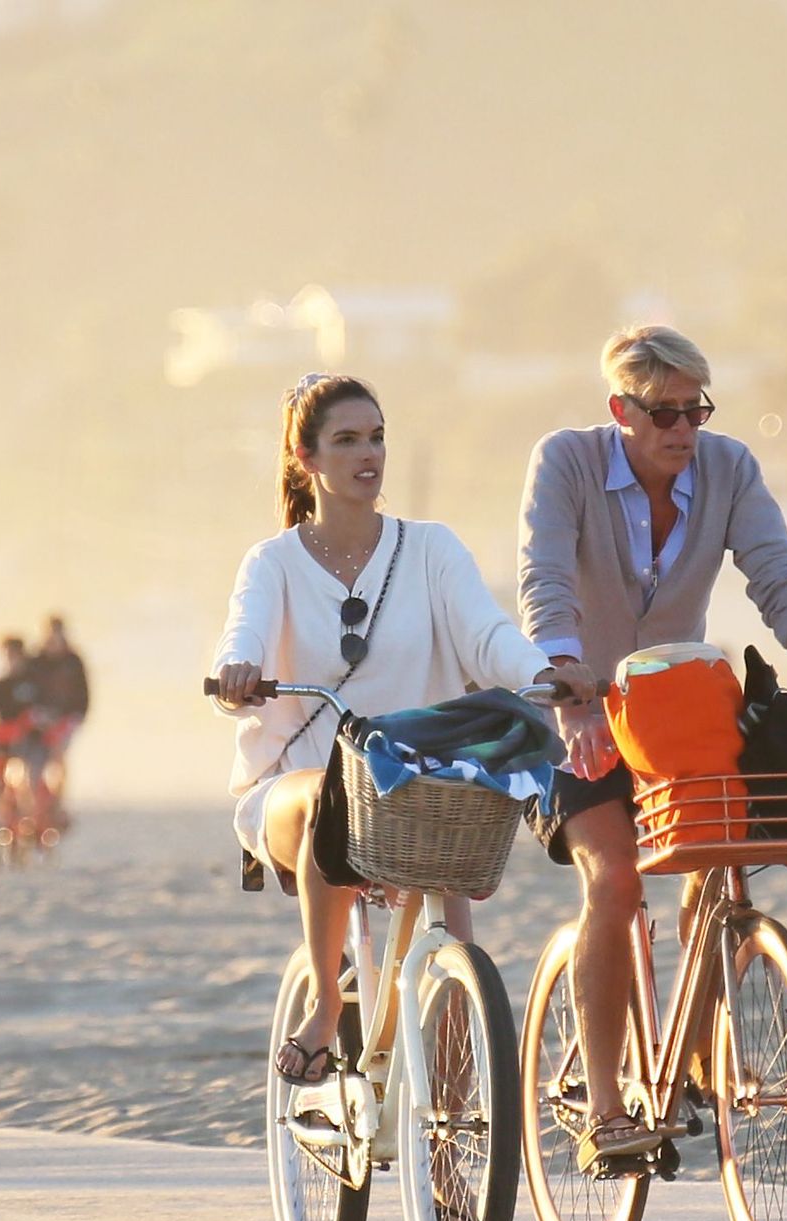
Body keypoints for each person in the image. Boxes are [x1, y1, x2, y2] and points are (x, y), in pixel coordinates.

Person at [516, 324, 787, 1167]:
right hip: (574, 708)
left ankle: (691, 1058)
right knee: (615, 885)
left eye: (696, 410)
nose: (684, 430)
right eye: (663, 414)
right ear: (621, 410)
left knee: (717, 867)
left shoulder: (728, 469)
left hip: (675, 715)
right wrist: (571, 691)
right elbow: (544, 585)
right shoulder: (567, 463)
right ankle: (608, 1111)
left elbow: (781, 582)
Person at [211, 373, 594, 1086]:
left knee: (454, 954)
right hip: (304, 790)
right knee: (333, 790)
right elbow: (244, 635)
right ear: (306, 457)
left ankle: (455, 1159)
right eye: (347, 440)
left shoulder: (431, 549)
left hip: (415, 785)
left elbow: (486, 634)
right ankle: (328, 1001)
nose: (369, 454)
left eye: (378, 437)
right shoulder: (273, 563)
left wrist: (544, 672)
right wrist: (236, 670)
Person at [0, 635, 42, 825]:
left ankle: (29, 817)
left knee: (23, 774)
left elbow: (40, 709)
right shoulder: (0, 685)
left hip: (27, 739)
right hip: (4, 738)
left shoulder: (33, 684)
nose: (10, 661)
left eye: (13, 656)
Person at [30, 615, 90, 829]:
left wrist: (78, 716)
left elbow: (83, 693)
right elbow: (28, 690)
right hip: (39, 721)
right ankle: (34, 806)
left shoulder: (73, 661)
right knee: (34, 762)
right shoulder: (37, 661)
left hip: (65, 719)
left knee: (59, 759)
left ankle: (57, 804)